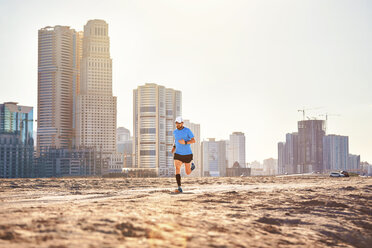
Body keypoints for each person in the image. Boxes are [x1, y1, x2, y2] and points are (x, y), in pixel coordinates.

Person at [171, 116, 196, 193]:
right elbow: (175, 140)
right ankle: (179, 187)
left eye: (179, 123)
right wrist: (174, 147)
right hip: (178, 153)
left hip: (187, 154)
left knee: (187, 172)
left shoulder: (187, 131)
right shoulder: (174, 132)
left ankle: (192, 167)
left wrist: (185, 142)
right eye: (176, 123)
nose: (177, 124)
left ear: (182, 123)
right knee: (177, 168)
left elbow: (193, 140)